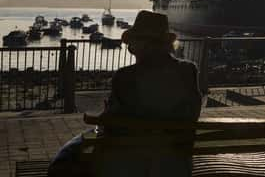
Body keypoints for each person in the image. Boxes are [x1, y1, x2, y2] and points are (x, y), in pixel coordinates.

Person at [49, 10, 202, 177]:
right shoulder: (188, 70)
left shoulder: (125, 76)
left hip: (128, 162)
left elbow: (111, 121)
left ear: (141, 44)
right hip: (176, 164)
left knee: (62, 162)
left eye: (133, 43)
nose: (130, 47)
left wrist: (105, 114)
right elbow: (192, 111)